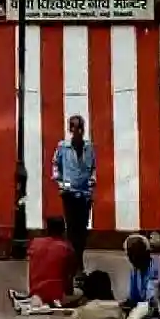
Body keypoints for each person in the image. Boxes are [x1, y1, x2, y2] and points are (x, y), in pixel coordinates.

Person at [52, 115, 96, 270]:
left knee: (82, 230)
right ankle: (73, 262)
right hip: (69, 194)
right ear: (70, 129)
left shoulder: (89, 147)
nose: (78, 130)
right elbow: (56, 166)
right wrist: (61, 183)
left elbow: (92, 168)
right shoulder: (63, 147)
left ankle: (79, 258)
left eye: (81, 127)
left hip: (85, 195)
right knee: (71, 229)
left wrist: (91, 183)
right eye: (75, 127)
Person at [18, 217, 78, 308]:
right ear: (63, 230)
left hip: (35, 291)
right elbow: (71, 272)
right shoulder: (67, 247)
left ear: (47, 229)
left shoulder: (35, 243)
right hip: (57, 293)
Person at [124, 234, 160, 309]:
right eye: (130, 255)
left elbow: (153, 301)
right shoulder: (134, 271)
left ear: (147, 253)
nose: (132, 258)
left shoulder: (157, 268)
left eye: (136, 254)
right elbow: (134, 298)